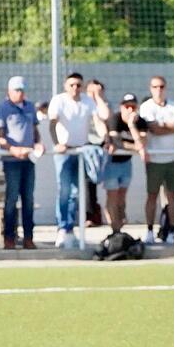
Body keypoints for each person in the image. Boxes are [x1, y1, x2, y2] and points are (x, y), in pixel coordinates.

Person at [49, 72, 109, 249]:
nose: (75, 89)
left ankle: (70, 229)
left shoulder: (87, 101)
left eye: (78, 85)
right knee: (64, 190)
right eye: (72, 85)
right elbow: (52, 124)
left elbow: (99, 119)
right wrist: (57, 143)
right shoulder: (59, 101)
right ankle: (62, 228)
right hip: (65, 151)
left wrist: (105, 138)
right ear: (65, 86)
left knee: (75, 192)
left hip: (81, 150)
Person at [0, 76, 45, 250]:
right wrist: (13, 149)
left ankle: (29, 237)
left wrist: (38, 143)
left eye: (22, 90)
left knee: (28, 199)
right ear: (9, 91)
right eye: (16, 90)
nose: (20, 93)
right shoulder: (2, 108)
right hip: (12, 161)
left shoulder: (30, 107)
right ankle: (9, 237)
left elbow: (35, 130)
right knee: (11, 199)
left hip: (29, 159)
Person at [139, 75, 174, 244]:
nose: (159, 90)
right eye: (155, 87)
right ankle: (149, 230)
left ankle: (172, 231)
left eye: (162, 87)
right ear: (151, 89)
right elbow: (154, 129)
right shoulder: (146, 107)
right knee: (152, 196)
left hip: (173, 157)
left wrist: (163, 126)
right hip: (154, 158)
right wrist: (169, 126)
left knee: (173, 197)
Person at [105, 93, 149, 234]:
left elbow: (142, 142)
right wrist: (134, 147)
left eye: (133, 106)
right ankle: (114, 228)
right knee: (112, 195)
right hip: (111, 163)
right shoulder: (115, 119)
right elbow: (116, 141)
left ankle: (119, 224)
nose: (130, 110)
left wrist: (131, 126)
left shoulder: (140, 122)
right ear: (121, 107)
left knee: (122, 196)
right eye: (127, 106)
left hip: (126, 163)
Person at [84, 79, 112, 226]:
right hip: (85, 144)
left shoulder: (104, 105)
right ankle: (89, 214)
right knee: (87, 183)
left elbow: (105, 117)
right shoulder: (82, 105)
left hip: (100, 145)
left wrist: (98, 98)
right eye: (91, 91)